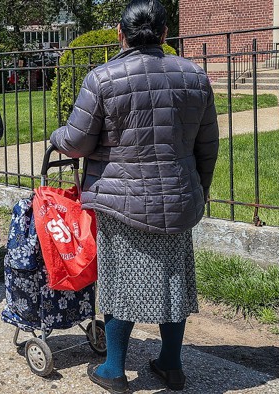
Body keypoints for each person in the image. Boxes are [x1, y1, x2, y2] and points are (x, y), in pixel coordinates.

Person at [48, 1, 220, 392]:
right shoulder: (195, 76)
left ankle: (113, 369)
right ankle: (171, 365)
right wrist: (198, 190)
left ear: (121, 35)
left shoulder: (103, 78)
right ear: (164, 34)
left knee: (119, 284)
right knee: (175, 283)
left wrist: (57, 137)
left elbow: (76, 141)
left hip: (120, 201)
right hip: (178, 199)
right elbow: (207, 146)